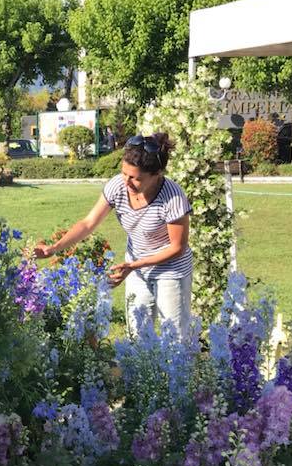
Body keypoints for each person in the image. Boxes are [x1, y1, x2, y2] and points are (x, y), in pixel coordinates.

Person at [34, 132, 193, 338]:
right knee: (137, 335)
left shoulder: (173, 197)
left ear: (157, 174)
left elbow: (177, 248)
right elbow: (89, 223)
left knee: (175, 339)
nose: (127, 181)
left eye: (136, 178)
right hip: (136, 267)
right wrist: (54, 248)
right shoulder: (118, 185)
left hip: (171, 270)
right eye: (124, 173)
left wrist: (133, 266)